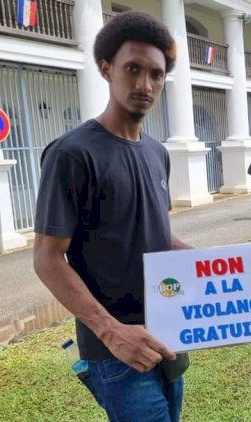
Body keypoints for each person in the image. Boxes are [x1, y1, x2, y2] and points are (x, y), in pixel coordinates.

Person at [32, 12, 191, 422]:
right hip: (117, 351)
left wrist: (221, 268)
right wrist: (111, 332)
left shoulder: (157, 152)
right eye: (132, 69)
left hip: (169, 331)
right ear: (107, 69)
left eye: (156, 74)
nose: (144, 85)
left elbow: (155, 234)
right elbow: (48, 258)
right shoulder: (72, 154)